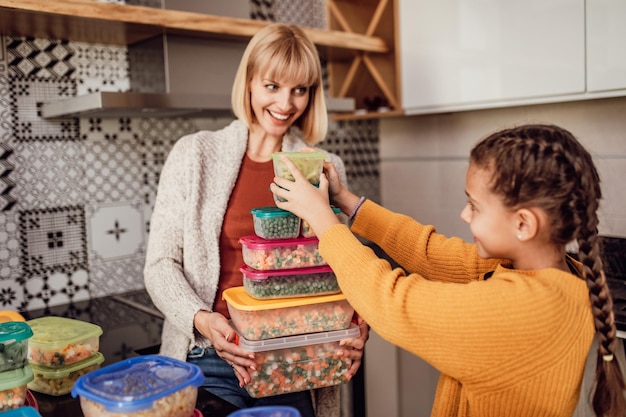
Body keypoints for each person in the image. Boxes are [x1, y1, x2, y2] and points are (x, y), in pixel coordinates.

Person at [271, 123, 626, 417]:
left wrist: (320, 219)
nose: (464, 215)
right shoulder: (556, 275)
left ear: (523, 224)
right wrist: (345, 201)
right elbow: (429, 252)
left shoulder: (519, 310)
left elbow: (391, 301)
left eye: (474, 206)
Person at [144, 23, 368, 417]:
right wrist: (201, 320)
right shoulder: (195, 155)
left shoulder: (324, 167)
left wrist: (357, 324)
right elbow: (160, 264)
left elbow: (341, 269)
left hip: (295, 354)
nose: (286, 103)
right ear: (248, 82)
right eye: (273, 86)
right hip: (213, 352)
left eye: (300, 89)